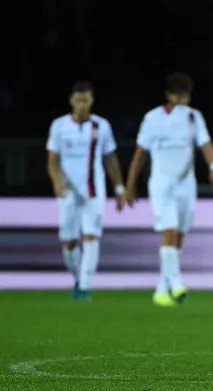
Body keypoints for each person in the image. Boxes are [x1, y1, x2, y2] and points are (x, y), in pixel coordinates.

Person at [125, 72, 213, 307]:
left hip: (186, 183)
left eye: (186, 96)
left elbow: (206, 145)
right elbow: (140, 154)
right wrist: (130, 186)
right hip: (161, 183)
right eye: (178, 96)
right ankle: (177, 283)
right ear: (169, 95)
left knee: (178, 235)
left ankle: (162, 289)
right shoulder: (152, 119)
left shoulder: (193, 117)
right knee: (168, 231)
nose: (182, 100)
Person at [46, 81, 125, 301]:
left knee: (91, 236)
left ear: (91, 101)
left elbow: (110, 158)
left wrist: (119, 188)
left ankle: (84, 286)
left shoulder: (101, 126)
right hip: (68, 191)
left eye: (86, 100)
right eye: (78, 100)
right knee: (69, 242)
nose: (82, 104)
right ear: (72, 101)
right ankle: (78, 278)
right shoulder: (59, 126)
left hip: (94, 190)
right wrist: (57, 183)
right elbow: (52, 159)